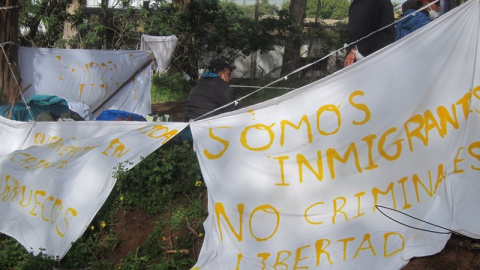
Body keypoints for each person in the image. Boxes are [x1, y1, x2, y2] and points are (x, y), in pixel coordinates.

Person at [180, 58, 237, 144]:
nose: (230, 78)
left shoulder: (198, 85)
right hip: (206, 134)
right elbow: (232, 116)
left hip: (187, 131)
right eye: (229, 75)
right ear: (221, 74)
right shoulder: (225, 89)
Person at [344, 0, 395, 67]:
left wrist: (358, 49)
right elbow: (353, 37)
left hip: (375, 63)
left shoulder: (382, 2)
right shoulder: (355, 3)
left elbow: (386, 36)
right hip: (355, 64)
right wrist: (349, 55)